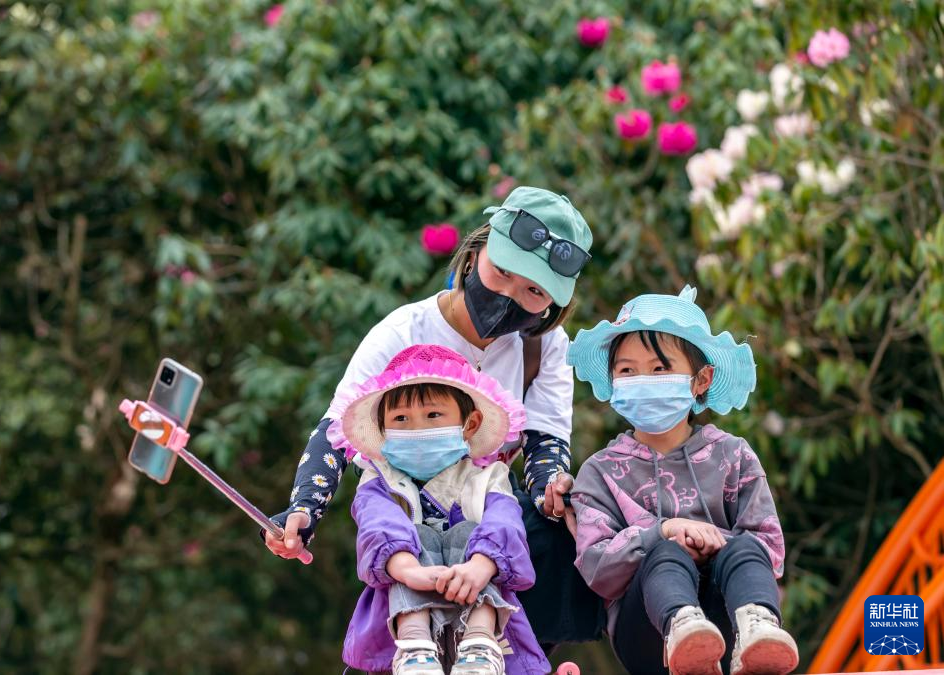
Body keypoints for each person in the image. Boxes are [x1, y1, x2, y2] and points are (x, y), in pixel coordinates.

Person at [265, 186, 605, 647]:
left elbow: (546, 443)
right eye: (502, 271)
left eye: (533, 291)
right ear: (474, 254)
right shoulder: (403, 330)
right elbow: (336, 428)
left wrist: (554, 490)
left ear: (551, 305)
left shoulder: (544, 347)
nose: (506, 294)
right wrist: (305, 508)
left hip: (488, 509)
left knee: (551, 532)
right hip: (405, 510)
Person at [567, 286, 799, 675]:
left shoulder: (733, 455)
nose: (643, 379)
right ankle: (684, 630)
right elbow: (595, 566)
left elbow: (769, 546)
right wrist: (664, 532)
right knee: (666, 551)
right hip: (647, 637)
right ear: (612, 380)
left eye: (659, 369)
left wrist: (712, 543)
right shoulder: (599, 472)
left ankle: (758, 631)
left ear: (701, 379)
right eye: (627, 370)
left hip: (727, 618)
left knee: (745, 548)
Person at [331, 344, 548, 674]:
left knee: (471, 533)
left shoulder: (490, 476)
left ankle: (480, 642)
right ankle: (413, 645)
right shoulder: (378, 481)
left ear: (470, 424)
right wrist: (408, 570)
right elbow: (378, 523)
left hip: (474, 590)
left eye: (433, 415)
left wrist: (481, 565)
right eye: (400, 419)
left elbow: (505, 522)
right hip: (403, 605)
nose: (417, 428)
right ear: (383, 429)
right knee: (414, 536)